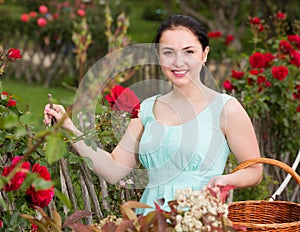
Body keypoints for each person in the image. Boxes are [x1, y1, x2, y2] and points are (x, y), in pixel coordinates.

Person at [44, 14, 262, 215]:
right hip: (149, 220)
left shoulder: (225, 108)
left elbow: (254, 170)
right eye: (168, 52)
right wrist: (69, 127)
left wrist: (225, 179)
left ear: (204, 54)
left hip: (198, 219)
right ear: (158, 56)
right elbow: (113, 169)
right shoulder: (147, 109)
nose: (178, 62)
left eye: (189, 51)